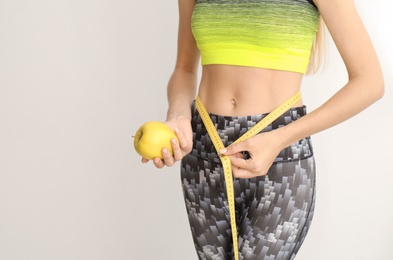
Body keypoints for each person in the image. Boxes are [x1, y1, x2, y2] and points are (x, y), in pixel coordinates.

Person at [141, 0, 384, 259]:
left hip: (279, 159)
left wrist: (279, 139)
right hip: (204, 154)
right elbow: (184, 68)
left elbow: (370, 82)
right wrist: (178, 115)